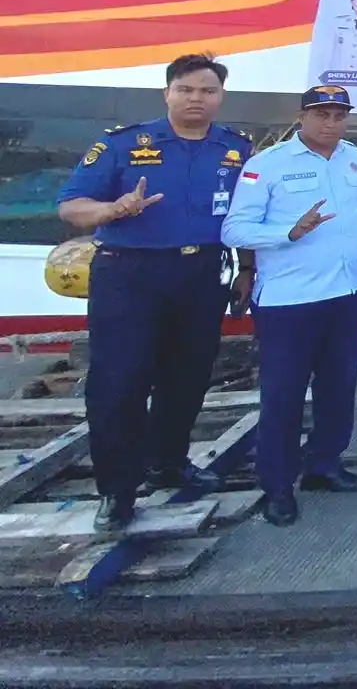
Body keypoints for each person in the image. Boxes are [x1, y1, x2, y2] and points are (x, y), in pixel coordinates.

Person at [56, 54, 254, 532]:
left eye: (207, 91)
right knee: (119, 382)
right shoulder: (123, 144)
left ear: (220, 97)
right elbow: (70, 206)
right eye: (186, 90)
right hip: (130, 274)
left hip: (202, 274)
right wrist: (109, 211)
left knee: (187, 376)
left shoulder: (236, 149)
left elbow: (247, 215)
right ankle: (117, 491)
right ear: (167, 93)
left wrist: (247, 269)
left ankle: (168, 462)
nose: (196, 99)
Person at [221, 84, 357, 528]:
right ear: (302, 117)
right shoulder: (267, 165)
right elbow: (234, 230)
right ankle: (277, 486)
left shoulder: (354, 159)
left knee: (339, 388)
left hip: (346, 295)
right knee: (283, 396)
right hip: (289, 303)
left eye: (339, 115)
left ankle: (324, 465)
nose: (331, 123)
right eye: (321, 114)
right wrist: (287, 232)